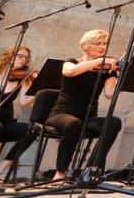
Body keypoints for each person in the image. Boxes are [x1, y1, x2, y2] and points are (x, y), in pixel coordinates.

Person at [45, 29, 122, 180]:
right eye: (98, 43)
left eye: (105, 44)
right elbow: (70, 72)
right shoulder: (71, 62)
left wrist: (121, 77)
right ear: (85, 45)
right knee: (73, 124)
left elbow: (109, 94)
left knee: (114, 122)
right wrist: (100, 61)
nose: (102, 47)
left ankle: (90, 170)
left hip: (87, 117)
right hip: (61, 114)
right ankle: (60, 174)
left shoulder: (107, 71)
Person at [0, 46, 38, 181]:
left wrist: (39, 89)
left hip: (6, 122)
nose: (23, 60)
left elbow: (24, 103)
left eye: (26, 58)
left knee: (33, 130)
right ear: (9, 56)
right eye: (20, 56)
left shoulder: (21, 78)